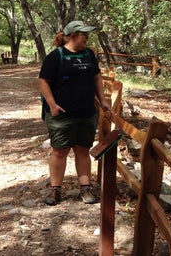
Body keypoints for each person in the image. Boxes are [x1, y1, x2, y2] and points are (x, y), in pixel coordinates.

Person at [37, 20, 111, 206]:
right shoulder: (56, 57)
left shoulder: (89, 55)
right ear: (72, 36)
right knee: (59, 151)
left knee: (83, 150)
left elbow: (96, 78)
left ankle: (85, 189)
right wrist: (52, 105)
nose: (86, 38)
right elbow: (43, 81)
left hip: (86, 112)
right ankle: (56, 190)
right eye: (83, 34)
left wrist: (102, 101)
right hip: (61, 114)